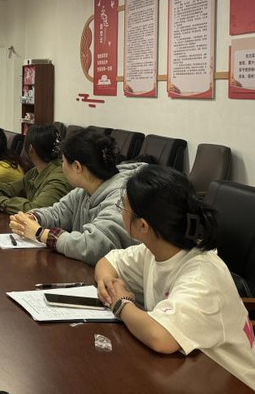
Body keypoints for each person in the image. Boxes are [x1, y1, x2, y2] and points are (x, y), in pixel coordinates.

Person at [95, 166, 255, 388]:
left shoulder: (202, 277)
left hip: (233, 382)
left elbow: (160, 338)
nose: (120, 211)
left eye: (123, 207)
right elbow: (108, 262)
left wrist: (120, 303)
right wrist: (107, 283)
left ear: (142, 226)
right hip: (193, 373)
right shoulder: (158, 249)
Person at [8, 128, 141, 266]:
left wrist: (40, 233)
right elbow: (58, 212)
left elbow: (93, 246)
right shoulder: (83, 191)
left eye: (63, 161)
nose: (61, 167)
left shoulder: (122, 197)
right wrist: (33, 218)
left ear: (77, 167)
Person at [0, 124, 71, 214]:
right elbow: (12, 188)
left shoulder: (58, 179)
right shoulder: (36, 171)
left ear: (30, 149)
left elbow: (35, 210)